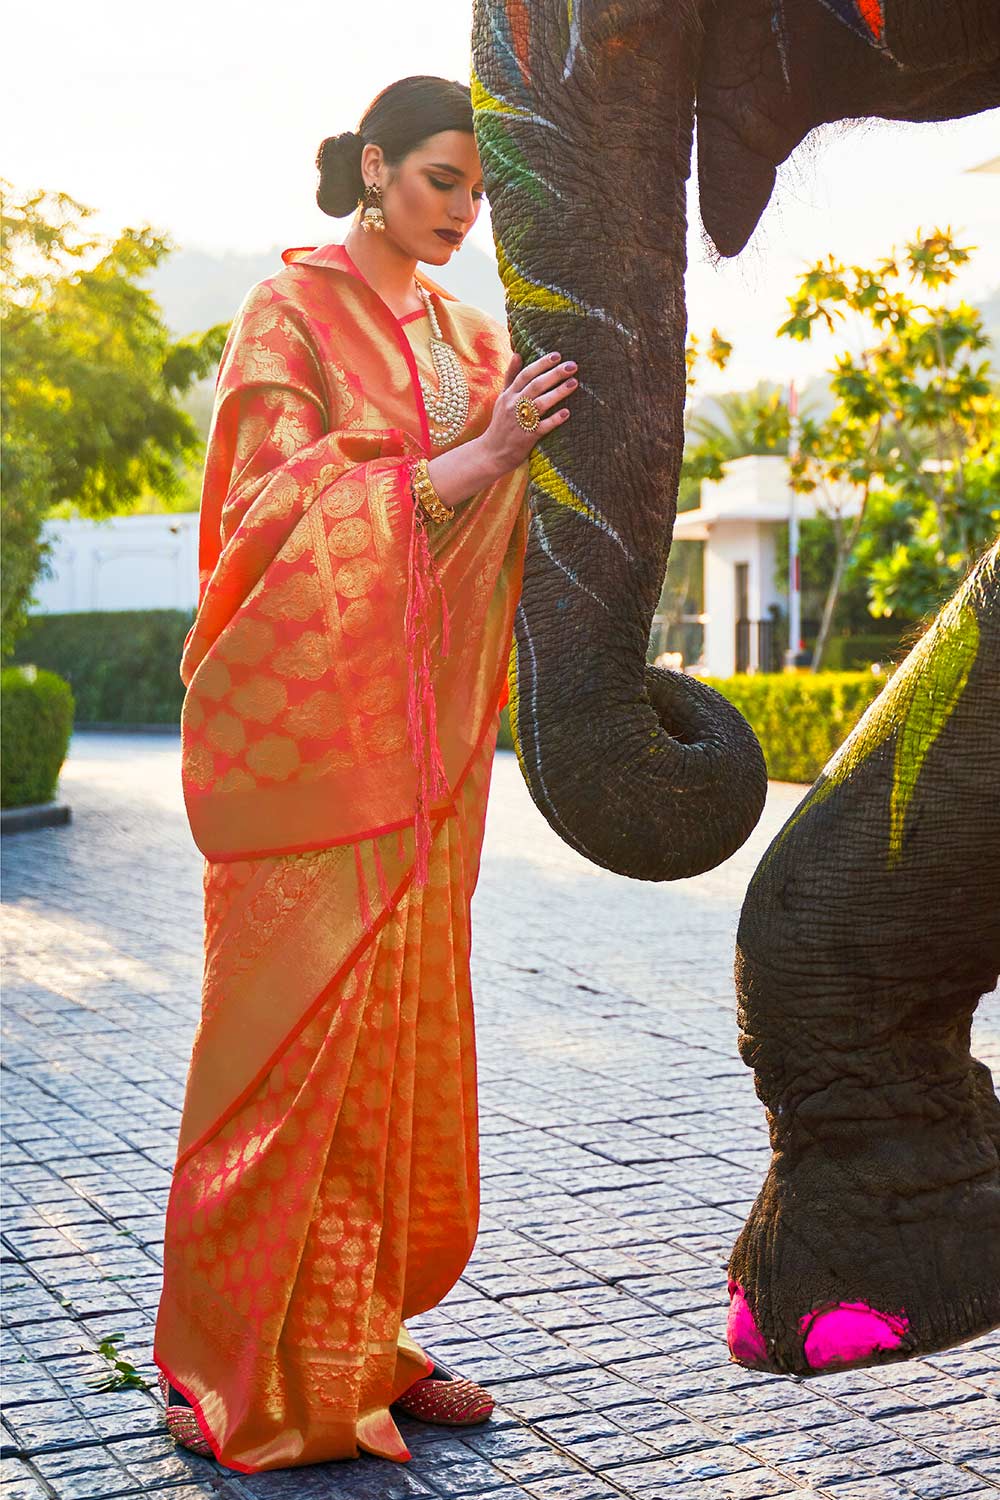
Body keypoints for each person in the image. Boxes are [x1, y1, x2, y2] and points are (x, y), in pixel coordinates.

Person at [152, 74, 580, 1473]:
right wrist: (477, 454)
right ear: (377, 168)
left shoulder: (470, 330)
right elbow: (271, 517)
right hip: (315, 753)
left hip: (424, 758)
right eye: (443, 180)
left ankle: (365, 1345)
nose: (463, 210)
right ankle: (226, 1365)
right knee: (283, 1065)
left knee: (392, 1059)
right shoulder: (290, 310)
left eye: (478, 190)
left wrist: (518, 453)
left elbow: (497, 517)